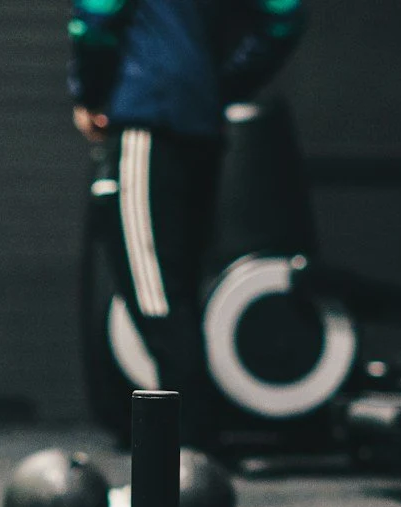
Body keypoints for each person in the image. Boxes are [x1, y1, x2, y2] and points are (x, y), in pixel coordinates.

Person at [69, 0, 305, 451]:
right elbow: (284, 16)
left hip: (148, 126)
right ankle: (192, 461)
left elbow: (95, 20)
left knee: (157, 300)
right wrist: (221, 84)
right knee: (177, 298)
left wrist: (91, 94)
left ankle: (184, 463)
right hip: (201, 131)